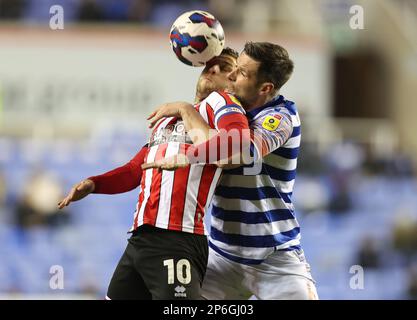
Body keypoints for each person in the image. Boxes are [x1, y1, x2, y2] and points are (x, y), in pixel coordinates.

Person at [58, 47, 250, 300]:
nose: (212, 69)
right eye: (208, 65)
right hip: (140, 238)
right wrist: (95, 184)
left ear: (234, 81)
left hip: (178, 238)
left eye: (225, 68)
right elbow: (134, 170)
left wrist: (184, 108)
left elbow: (236, 142)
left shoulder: (224, 106)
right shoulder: (166, 120)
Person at [145, 42, 318, 299]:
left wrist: (186, 112)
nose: (233, 76)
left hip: (274, 258)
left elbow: (236, 153)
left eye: (243, 73)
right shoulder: (223, 113)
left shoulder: (281, 116)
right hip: (221, 256)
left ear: (265, 88)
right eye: (234, 68)